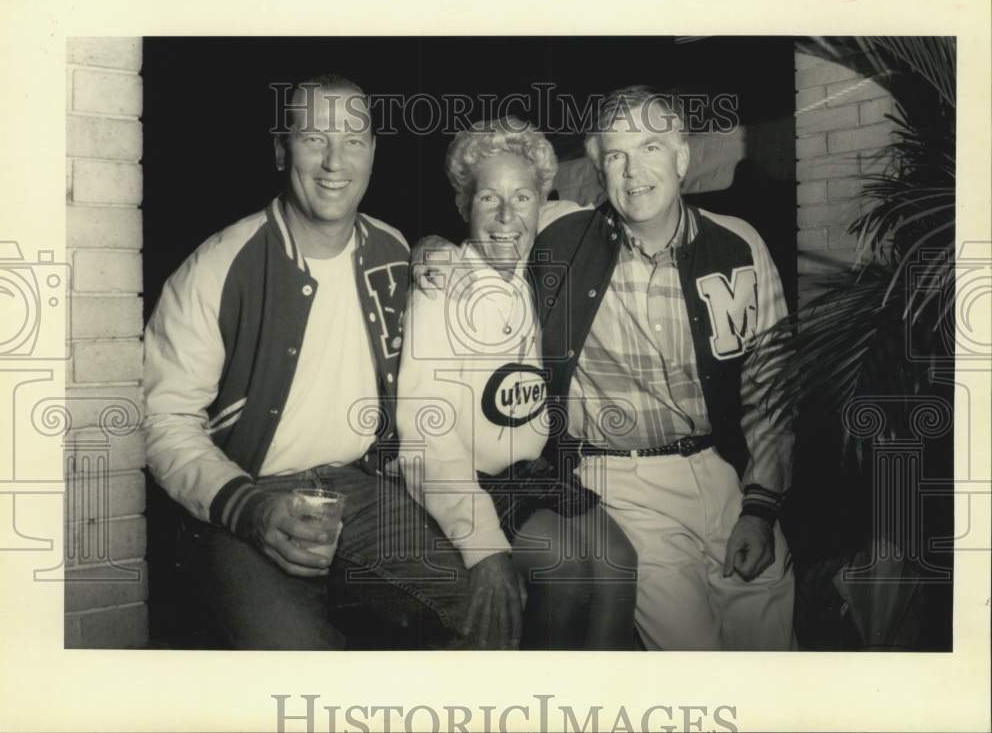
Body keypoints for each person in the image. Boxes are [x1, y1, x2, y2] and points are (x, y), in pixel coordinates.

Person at [415, 87, 796, 651]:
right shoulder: (565, 235)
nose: (634, 171)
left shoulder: (740, 246)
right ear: (598, 169)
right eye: (615, 155)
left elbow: (773, 390)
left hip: (727, 474)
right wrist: (430, 249)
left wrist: (761, 508)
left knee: (775, 655)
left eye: (650, 148)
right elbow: (492, 218)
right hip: (621, 482)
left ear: (683, 158)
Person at [143, 74, 472, 650]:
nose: (333, 162)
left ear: (373, 152)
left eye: (353, 139)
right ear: (280, 150)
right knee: (296, 660)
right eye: (313, 138)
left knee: (470, 613)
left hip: (362, 488)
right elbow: (161, 419)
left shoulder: (393, 250)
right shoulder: (219, 266)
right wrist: (248, 508)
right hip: (244, 495)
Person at [398, 118, 638, 649]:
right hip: (470, 479)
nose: (508, 216)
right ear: (463, 206)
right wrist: (482, 541)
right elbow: (422, 432)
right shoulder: (443, 286)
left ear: (542, 204)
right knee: (567, 565)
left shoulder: (529, 273)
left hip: (528, 471)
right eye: (488, 199)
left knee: (620, 561)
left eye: (523, 197)